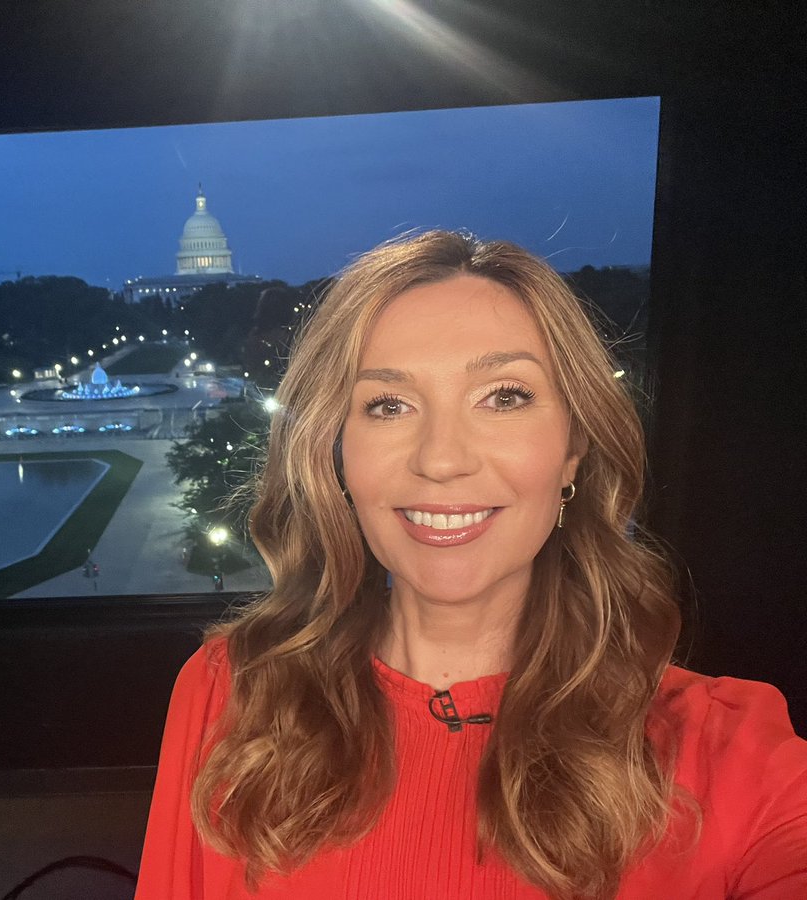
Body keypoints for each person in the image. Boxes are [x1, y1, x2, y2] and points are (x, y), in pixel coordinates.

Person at [135, 231, 807, 899]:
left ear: (573, 448)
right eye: (388, 405)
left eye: (503, 396)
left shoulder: (728, 752)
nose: (442, 458)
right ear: (337, 457)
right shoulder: (234, 695)